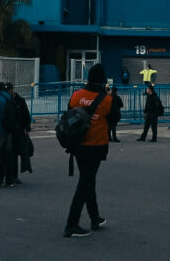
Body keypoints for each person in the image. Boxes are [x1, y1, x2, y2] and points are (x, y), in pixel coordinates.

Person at [64, 63, 115, 238]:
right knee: (86, 182)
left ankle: (95, 217)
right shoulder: (107, 99)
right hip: (96, 145)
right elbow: (114, 118)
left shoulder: (76, 95)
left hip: (78, 144)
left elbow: (70, 113)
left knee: (88, 179)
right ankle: (72, 224)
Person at [7, 82, 32, 181]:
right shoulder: (7, 100)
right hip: (10, 131)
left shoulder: (20, 100)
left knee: (19, 153)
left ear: (12, 89)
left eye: (9, 89)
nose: (8, 92)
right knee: (12, 154)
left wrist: (27, 129)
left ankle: (15, 176)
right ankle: (12, 176)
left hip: (19, 130)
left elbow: (26, 115)